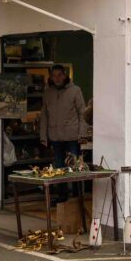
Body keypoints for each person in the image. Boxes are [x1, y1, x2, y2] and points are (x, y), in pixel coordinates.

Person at [40, 64, 87, 202]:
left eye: (59, 75)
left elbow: (82, 113)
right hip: (55, 136)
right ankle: (62, 196)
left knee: (75, 167)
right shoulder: (48, 93)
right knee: (59, 167)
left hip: (72, 136)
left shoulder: (75, 90)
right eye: (54, 76)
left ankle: (77, 197)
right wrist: (43, 136)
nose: (57, 78)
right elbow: (44, 115)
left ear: (65, 75)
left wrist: (82, 134)